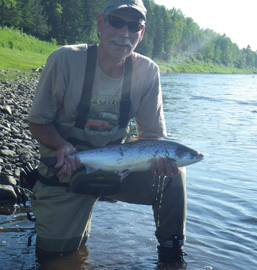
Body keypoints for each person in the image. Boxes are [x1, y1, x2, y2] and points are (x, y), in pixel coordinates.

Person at [27, 0, 187, 264]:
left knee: (174, 175)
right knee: (55, 258)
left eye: (134, 26)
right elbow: (38, 122)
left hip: (118, 170)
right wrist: (61, 146)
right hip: (65, 168)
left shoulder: (147, 72)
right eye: (117, 22)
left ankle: (171, 256)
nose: (125, 32)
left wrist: (159, 163)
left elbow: (151, 138)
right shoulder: (65, 59)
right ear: (101, 23)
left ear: (141, 33)